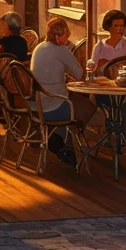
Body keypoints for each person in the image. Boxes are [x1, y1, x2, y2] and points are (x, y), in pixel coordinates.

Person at [29, 16, 96, 165]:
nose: (67, 40)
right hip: (56, 106)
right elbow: (80, 75)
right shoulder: (61, 50)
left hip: (39, 104)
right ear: (59, 36)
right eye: (66, 36)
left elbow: (49, 72)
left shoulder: (39, 48)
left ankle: (57, 140)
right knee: (88, 107)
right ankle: (63, 143)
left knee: (72, 102)